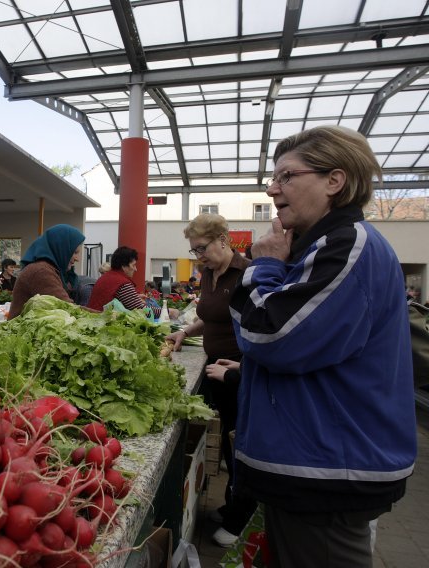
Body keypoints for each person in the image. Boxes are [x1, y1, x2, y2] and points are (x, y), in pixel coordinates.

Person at [229, 125, 416, 567]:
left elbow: (268, 335)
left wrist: (266, 265)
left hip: (328, 471)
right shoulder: (323, 247)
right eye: (273, 179)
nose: (274, 189)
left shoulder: (348, 245)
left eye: (287, 176)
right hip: (317, 464)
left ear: (335, 181)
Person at [165, 213, 254, 547]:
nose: (198, 256)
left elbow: (263, 329)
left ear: (223, 239)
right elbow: (211, 316)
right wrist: (185, 332)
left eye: (202, 248)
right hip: (218, 370)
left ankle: (240, 517)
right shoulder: (208, 273)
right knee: (231, 440)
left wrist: (239, 369)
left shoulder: (246, 274)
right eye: (194, 251)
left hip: (239, 372)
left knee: (241, 445)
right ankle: (233, 503)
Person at [8, 224, 85, 319]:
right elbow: (68, 308)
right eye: (75, 252)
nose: (77, 258)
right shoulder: (41, 272)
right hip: (21, 332)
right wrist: (104, 317)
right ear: (61, 248)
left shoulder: (51, 270)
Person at [87, 246, 169, 319]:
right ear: (123, 266)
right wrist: (168, 312)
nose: (135, 269)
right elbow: (142, 311)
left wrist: (134, 297)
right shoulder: (121, 282)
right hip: (104, 325)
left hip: (94, 320)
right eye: (133, 265)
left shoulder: (107, 277)